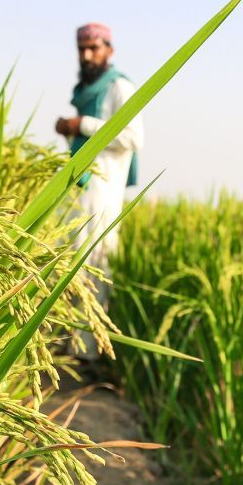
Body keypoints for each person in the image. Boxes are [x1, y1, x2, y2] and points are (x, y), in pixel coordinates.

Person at [55, 22, 143, 360]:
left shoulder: (119, 87)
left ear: (110, 49)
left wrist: (83, 126)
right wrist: (70, 130)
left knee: (96, 272)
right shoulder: (86, 91)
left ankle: (89, 356)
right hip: (81, 193)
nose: (88, 54)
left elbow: (133, 137)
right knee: (74, 268)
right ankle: (73, 347)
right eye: (83, 49)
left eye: (95, 47)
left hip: (105, 196)